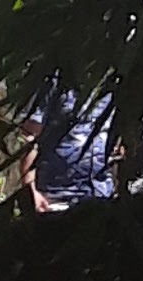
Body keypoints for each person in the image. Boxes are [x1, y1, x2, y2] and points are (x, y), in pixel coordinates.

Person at [22, 74, 120, 213]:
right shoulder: (58, 82)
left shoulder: (117, 87)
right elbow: (31, 140)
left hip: (100, 196)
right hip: (55, 197)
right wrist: (31, 191)